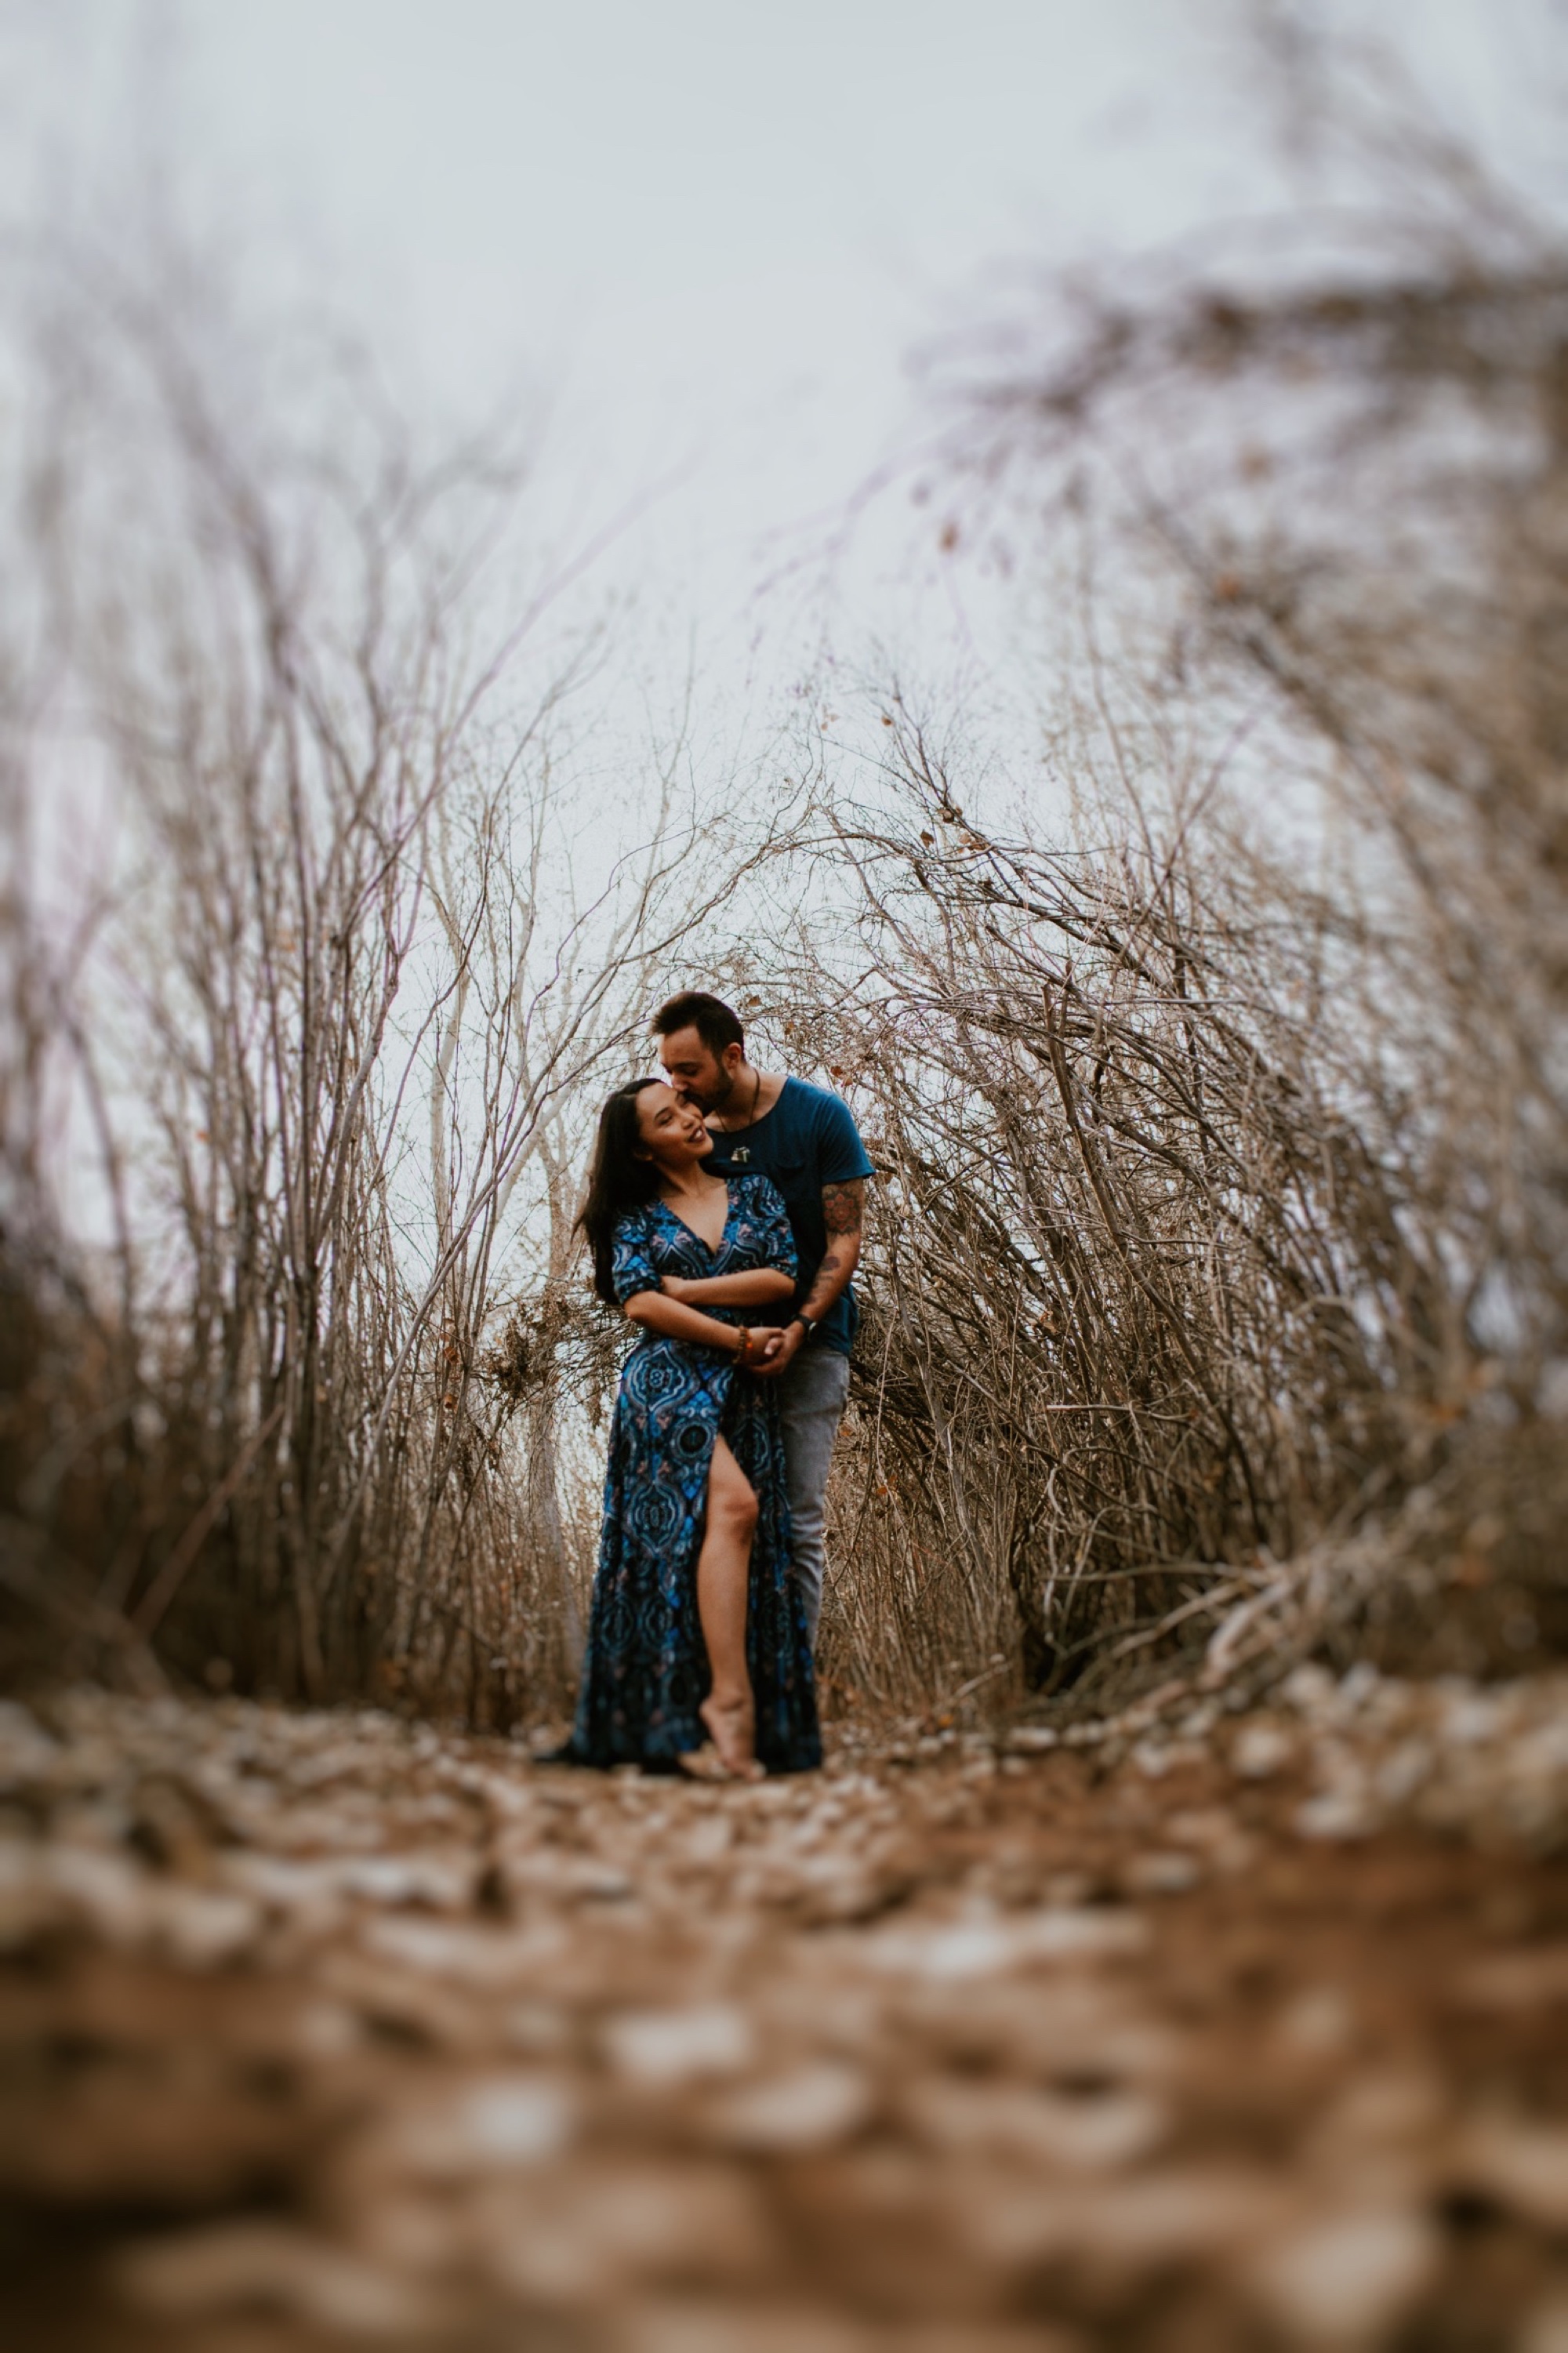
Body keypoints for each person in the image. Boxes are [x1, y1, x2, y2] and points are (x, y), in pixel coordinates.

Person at [564, 1076, 821, 1779]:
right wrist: (734, 1341)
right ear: (644, 1149)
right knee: (736, 1509)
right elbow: (640, 1307)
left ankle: (718, 1716)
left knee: (726, 1540)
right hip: (668, 1384)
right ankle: (726, 1703)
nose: (688, 1117)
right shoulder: (636, 1215)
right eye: (666, 1117)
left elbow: (779, 1280)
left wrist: (687, 1290)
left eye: (683, 1105)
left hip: (742, 1395)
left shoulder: (756, 1190)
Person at [651, 992, 874, 1646]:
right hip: (717, 1353)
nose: (677, 1084)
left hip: (813, 1344)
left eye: (688, 1069)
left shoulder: (818, 1115)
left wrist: (801, 1327)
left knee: (798, 1521)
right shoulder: (688, 1135)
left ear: (733, 1055)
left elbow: (845, 1239)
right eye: (668, 1069)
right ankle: (725, 1685)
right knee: (719, 1517)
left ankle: (792, 1688)